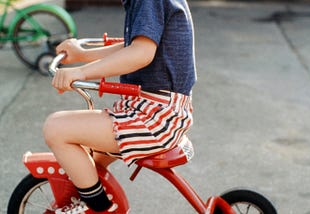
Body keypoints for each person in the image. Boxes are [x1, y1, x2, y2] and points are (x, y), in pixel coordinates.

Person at [43, 0, 196, 213]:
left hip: (156, 117)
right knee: (91, 164)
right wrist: (83, 55)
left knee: (56, 128)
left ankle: (100, 209)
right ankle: (91, 201)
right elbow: (135, 45)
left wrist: (81, 72)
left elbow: (141, 53)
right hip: (153, 108)